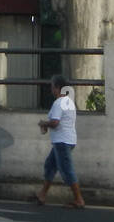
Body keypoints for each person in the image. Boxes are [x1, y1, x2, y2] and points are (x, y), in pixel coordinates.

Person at [36, 74, 84, 208]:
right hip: (67, 140)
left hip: (61, 141)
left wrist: (43, 123)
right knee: (50, 166)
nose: (51, 89)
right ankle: (42, 195)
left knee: (66, 170)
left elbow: (55, 122)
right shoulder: (69, 102)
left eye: (52, 87)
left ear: (57, 88)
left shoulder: (58, 103)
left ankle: (79, 200)